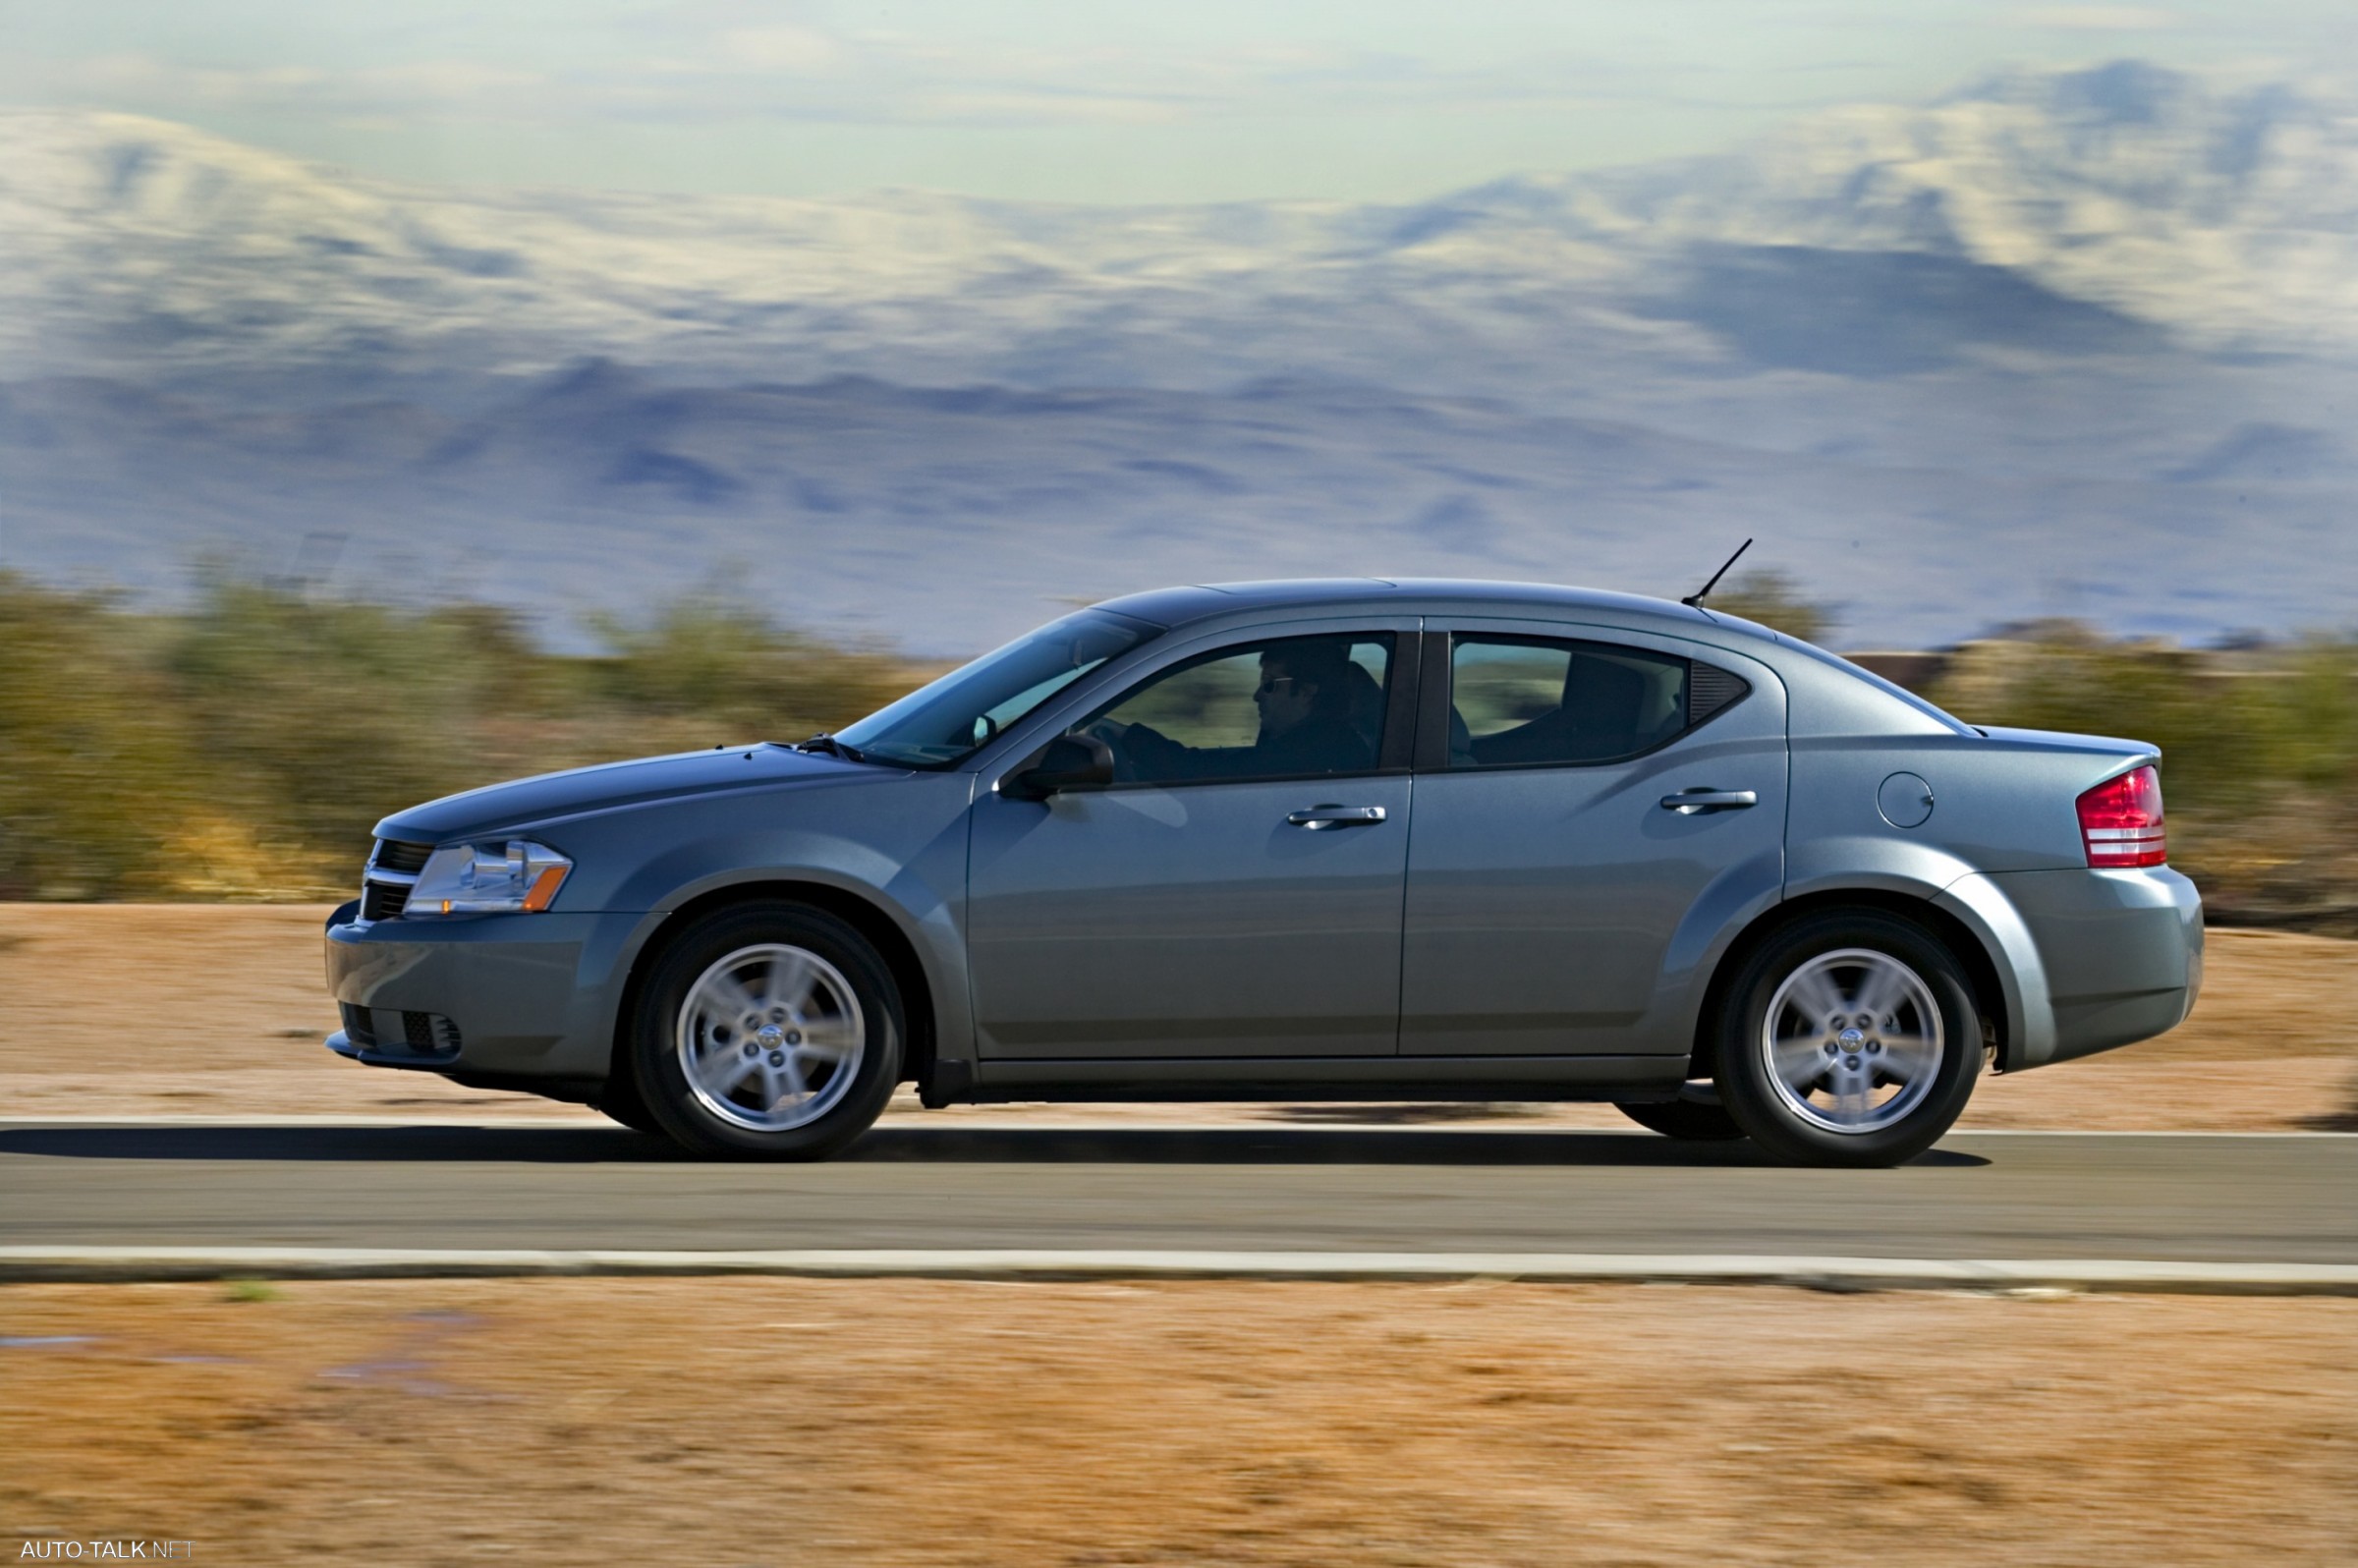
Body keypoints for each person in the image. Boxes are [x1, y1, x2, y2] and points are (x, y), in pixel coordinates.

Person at [1090, 639, 1376, 781]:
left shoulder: (1316, 749)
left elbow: (1211, 774)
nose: (1255, 696)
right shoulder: (1310, 740)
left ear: (1305, 692)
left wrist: (1127, 736)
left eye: (1269, 685)